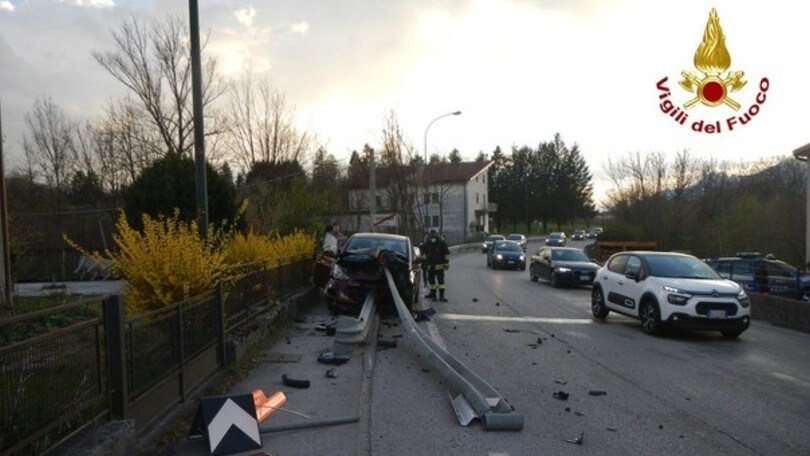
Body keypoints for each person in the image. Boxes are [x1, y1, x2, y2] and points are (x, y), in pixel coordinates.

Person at [422, 228, 450, 302]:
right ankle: (434, 294)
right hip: (433, 266)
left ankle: (439, 295)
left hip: (436, 266)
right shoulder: (431, 242)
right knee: (433, 281)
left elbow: (446, 253)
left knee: (438, 281)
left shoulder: (440, 242)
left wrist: (446, 263)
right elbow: (424, 253)